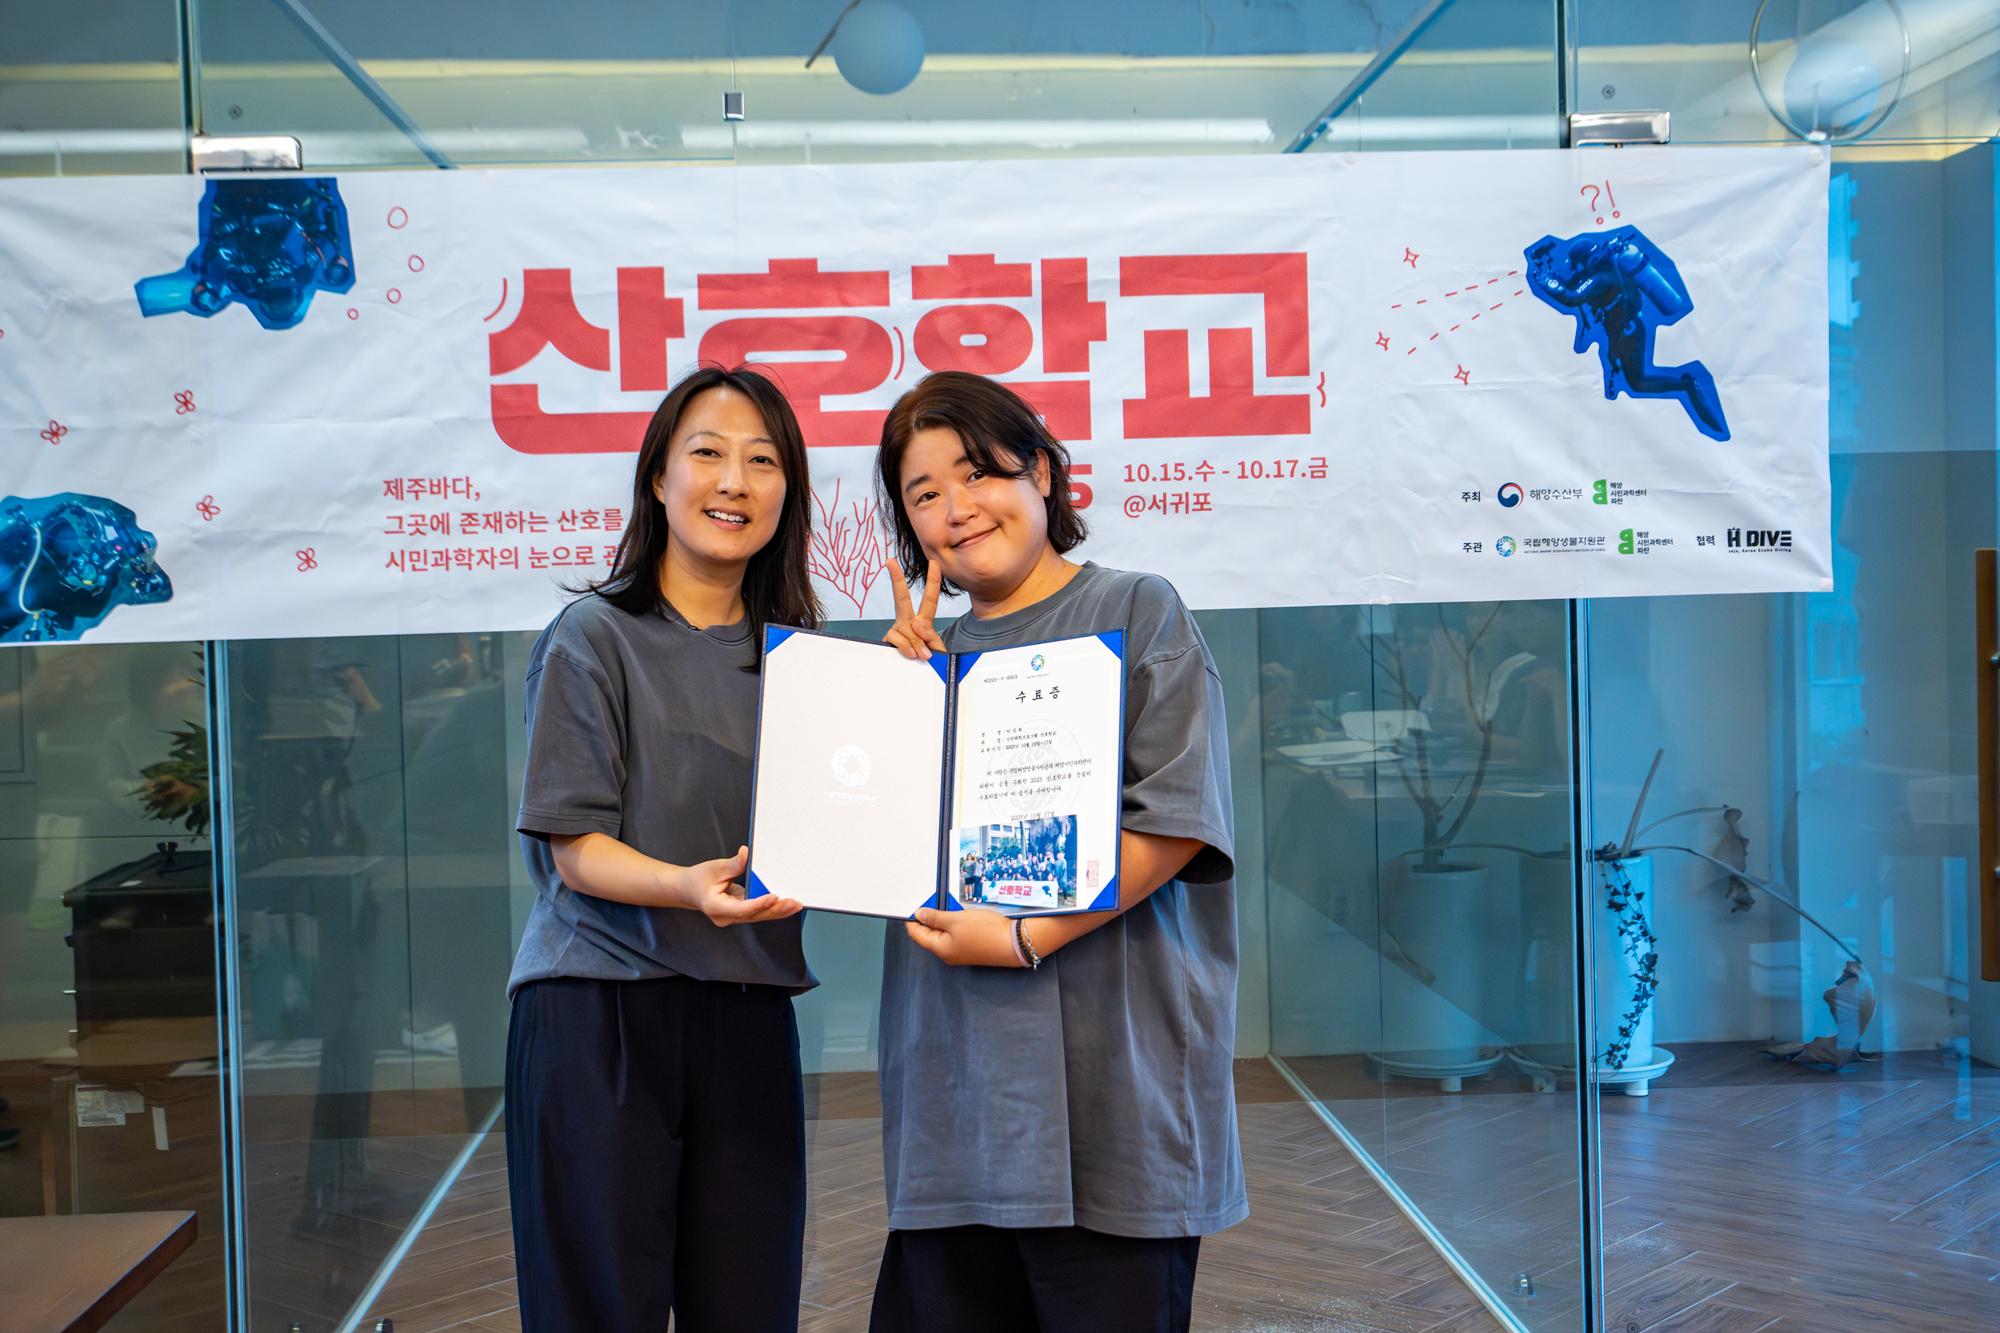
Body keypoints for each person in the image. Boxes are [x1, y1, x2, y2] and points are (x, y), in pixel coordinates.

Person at [870, 371, 1243, 1333]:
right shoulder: (920, 666)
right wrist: (893, 703)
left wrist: (1026, 935)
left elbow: (1175, 820)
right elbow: (878, 848)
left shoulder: (1139, 608)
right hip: (955, 1103)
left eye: (976, 473)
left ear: (1039, 471)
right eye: (924, 494)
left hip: (1112, 1101)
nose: (956, 509)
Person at [504, 365, 821, 1332]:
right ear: (658, 477)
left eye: (762, 461)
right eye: (709, 453)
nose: (734, 482)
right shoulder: (592, 636)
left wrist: (914, 685)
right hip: (601, 1005)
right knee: (598, 1309)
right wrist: (685, 886)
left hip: (749, 1008)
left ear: (788, 490)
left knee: (751, 1305)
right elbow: (574, 848)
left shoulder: (804, 660)